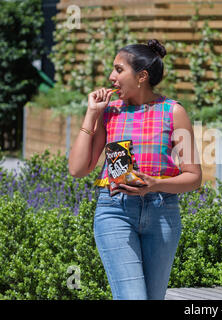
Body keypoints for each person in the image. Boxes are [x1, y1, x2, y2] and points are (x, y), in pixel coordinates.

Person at [68, 39, 202, 300]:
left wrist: (156, 184)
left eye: (119, 70)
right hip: (115, 212)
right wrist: (91, 115)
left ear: (141, 76)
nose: (111, 77)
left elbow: (194, 177)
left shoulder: (173, 112)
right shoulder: (110, 112)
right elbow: (77, 168)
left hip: (162, 214)